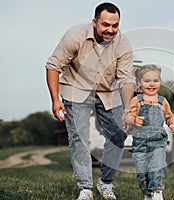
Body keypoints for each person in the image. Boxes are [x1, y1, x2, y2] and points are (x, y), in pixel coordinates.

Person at [45, 2, 135, 200]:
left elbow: (126, 79)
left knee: (119, 135)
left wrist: (128, 109)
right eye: (105, 25)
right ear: (94, 22)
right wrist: (55, 100)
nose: (110, 30)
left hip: (107, 91)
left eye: (115, 25)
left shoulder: (123, 43)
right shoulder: (75, 35)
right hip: (76, 88)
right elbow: (53, 66)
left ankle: (105, 183)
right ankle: (85, 188)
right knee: (79, 137)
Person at [124, 65, 174, 200]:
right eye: (147, 81)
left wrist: (173, 123)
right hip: (140, 142)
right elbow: (128, 117)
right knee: (142, 172)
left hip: (158, 141)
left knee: (157, 165)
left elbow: (170, 116)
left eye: (155, 80)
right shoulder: (136, 100)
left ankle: (157, 191)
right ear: (139, 82)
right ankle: (147, 193)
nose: (151, 84)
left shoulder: (162, 101)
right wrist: (134, 120)